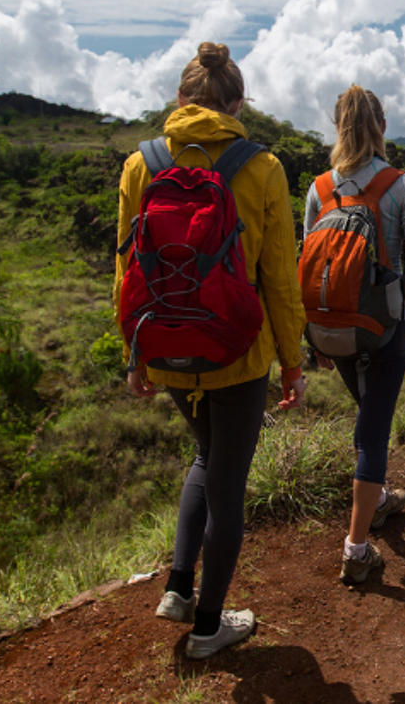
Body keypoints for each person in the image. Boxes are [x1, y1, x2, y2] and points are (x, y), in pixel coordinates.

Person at [114, 42, 306, 660]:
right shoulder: (263, 167)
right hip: (237, 353)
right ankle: (208, 629)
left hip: (167, 346)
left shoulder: (138, 165)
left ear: (181, 99)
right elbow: (279, 277)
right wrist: (293, 362)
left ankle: (177, 587)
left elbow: (124, 273)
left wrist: (135, 354)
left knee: (205, 453)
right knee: (228, 482)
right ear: (237, 103)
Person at [301, 85, 405, 586]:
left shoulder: (319, 189)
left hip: (330, 329)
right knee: (373, 432)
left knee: (367, 417)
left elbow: (306, 263)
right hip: (385, 329)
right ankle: (356, 546)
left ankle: (375, 497)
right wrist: (395, 304)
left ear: (338, 127)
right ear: (382, 125)